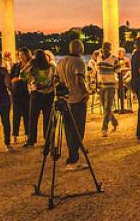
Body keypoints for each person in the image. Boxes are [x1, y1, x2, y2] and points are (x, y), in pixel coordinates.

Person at [56, 39, 91, 170]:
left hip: (65, 101)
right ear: (80, 50)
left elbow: (56, 80)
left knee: (69, 130)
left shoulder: (60, 62)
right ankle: (73, 160)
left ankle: (72, 156)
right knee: (78, 130)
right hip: (77, 100)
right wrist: (86, 92)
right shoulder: (79, 62)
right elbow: (79, 79)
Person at [21, 49, 56, 147]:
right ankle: (47, 139)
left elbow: (22, 75)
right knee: (47, 118)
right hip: (49, 95)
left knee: (33, 118)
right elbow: (56, 78)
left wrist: (29, 63)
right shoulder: (52, 67)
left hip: (36, 95)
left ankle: (32, 140)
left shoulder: (33, 69)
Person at [10, 47, 32, 145]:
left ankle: (28, 134)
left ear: (27, 55)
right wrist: (16, 79)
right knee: (16, 115)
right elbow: (11, 78)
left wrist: (19, 78)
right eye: (19, 55)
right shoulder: (15, 66)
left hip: (27, 93)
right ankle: (15, 135)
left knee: (27, 115)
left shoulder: (31, 66)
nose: (21, 56)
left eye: (23, 54)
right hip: (16, 92)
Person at [97, 42, 120, 137]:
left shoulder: (114, 59)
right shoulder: (98, 58)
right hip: (102, 85)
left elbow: (118, 71)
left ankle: (104, 128)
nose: (105, 50)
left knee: (107, 107)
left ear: (110, 49)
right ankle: (114, 122)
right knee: (105, 107)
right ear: (102, 48)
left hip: (111, 85)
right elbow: (97, 71)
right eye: (104, 48)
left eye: (107, 48)